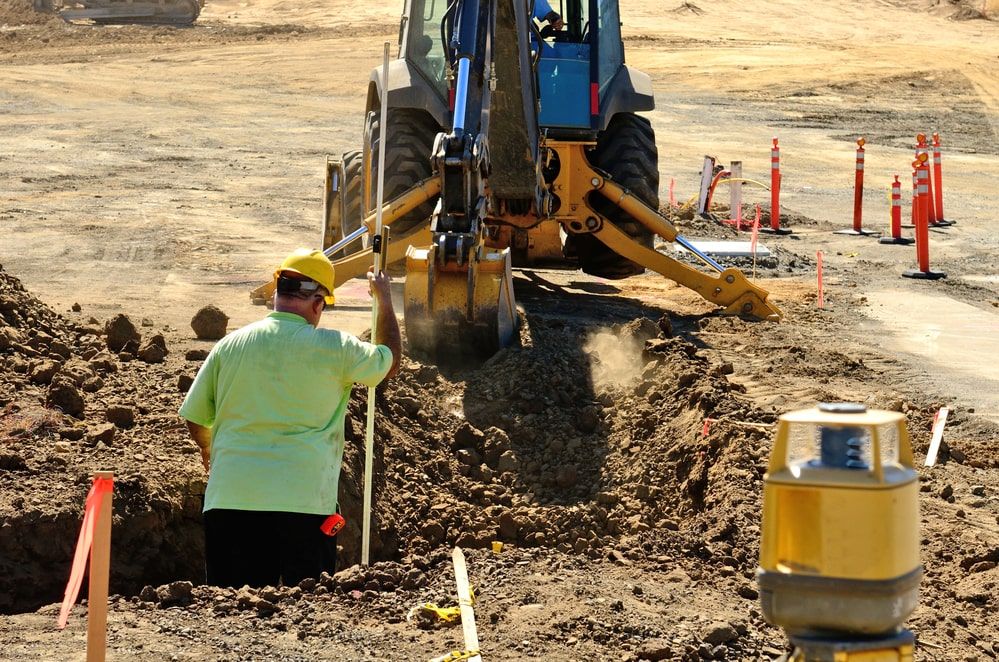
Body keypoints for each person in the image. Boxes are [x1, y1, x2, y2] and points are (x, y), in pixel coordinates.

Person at [179, 248, 401, 588]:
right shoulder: (336, 347)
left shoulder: (229, 345)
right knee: (304, 619)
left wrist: (208, 450)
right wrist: (383, 299)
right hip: (305, 505)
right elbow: (387, 363)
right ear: (318, 303)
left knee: (229, 617)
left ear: (277, 293)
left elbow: (195, 414)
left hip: (230, 500)